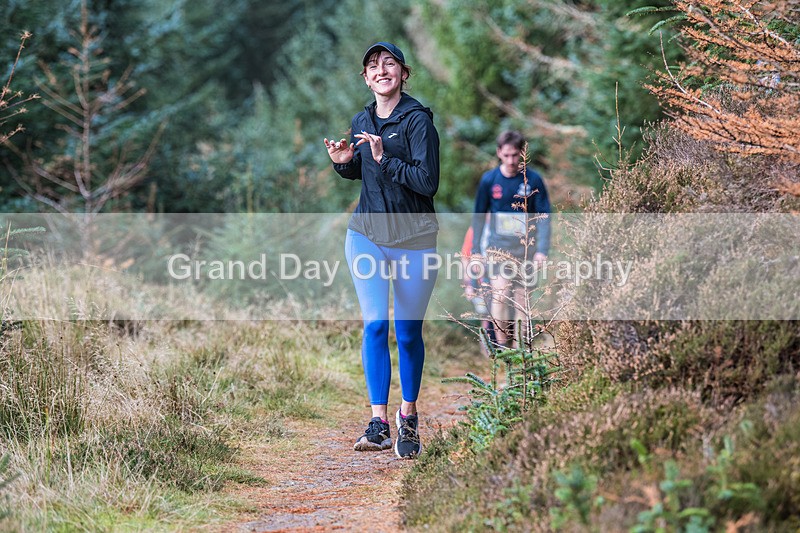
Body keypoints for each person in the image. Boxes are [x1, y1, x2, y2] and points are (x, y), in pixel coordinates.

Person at [323, 42, 440, 459]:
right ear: (366, 78)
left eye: (389, 63)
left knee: (407, 332)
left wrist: (383, 156)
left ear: (403, 73)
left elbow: (427, 182)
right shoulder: (362, 118)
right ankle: (378, 423)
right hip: (366, 235)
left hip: (414, 241)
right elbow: (362, 172)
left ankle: (408, 419)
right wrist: (343, 162)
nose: (381, 70)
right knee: (375, 325)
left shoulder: (418, 122)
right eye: (372, 66)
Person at [470, 130, 550, 348]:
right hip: (498, 250)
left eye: (515, 155)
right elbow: (478, 217)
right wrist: (476, 250)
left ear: (522, 153)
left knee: (523, 302)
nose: (511, 160)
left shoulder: (533, 180)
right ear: (499, 153)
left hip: (526, 250)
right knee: (501, 296)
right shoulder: (489, 180)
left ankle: (523, 354)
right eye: (506, 155)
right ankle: (505, 352)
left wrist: (542, 249)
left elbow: (544, 217)